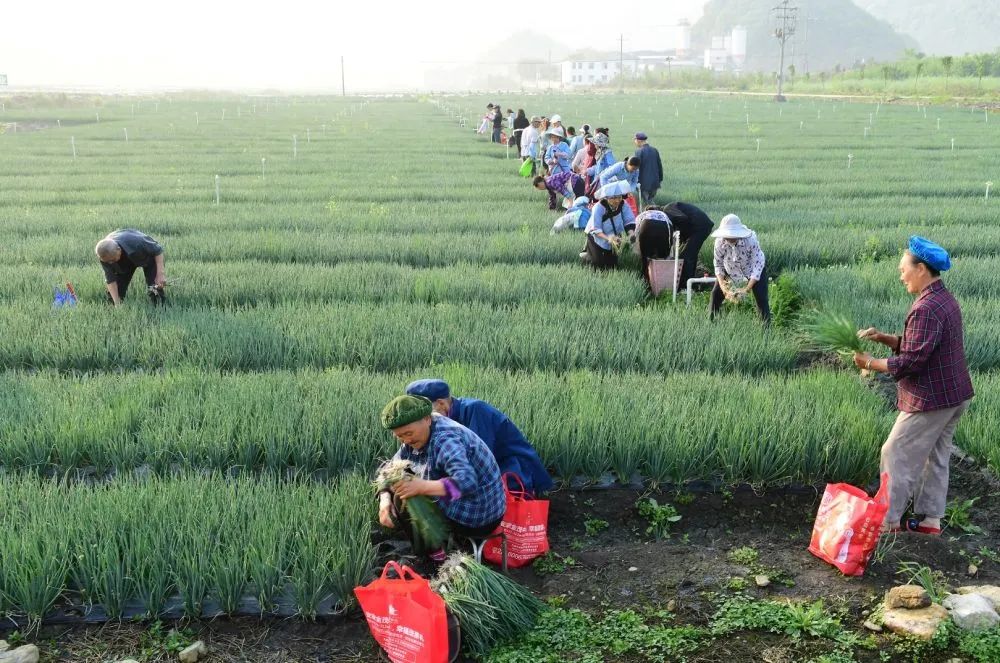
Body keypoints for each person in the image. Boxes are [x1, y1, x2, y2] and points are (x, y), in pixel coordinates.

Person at [852, 237, 974, 535]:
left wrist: (869, 363)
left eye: (903, 269)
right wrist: (884, 338)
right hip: (954, 395)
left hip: (931, 398)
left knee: (895, 451)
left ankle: (888, 521)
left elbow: (911, 362)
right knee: (936, 454)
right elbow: (922, 347)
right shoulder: (942, 298)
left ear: (921, 269)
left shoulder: (925, 308)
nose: (900, 274)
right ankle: (930, 521)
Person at [377, 395, 507, 560]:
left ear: (427, 419)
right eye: (400, 436)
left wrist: (421, 486)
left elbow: (467, 483)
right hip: (468, 503)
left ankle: (433, 558)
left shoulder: (445, 440)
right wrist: (384, 499)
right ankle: (435, 548)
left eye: (408, 433)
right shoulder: (417, 434)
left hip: (478, 513)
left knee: (404, 495)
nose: (406, 440)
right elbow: (389, 468)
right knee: (400, 485)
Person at [406, 379, 554, 495]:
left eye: (425, 412)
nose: (421, 419)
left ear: (441, 403)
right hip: (491, 470)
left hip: (513, 469)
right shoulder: (441, 420)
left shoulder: (476, 410)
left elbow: (480, 460)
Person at [709, 215, 770, 324]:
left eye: (733, 235)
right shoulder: (719, 242)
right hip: (729, 268)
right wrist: (724, 287)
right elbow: (718, 264)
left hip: (752, 268)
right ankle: (711, 322)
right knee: (715, 295)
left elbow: (758, 264)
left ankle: (766, 330)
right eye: (727, 235)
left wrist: (746, 289)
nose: (730, 238)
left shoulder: (750, 240)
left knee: (761, 299)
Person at [95, 229, 167, 305]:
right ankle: (115, 310)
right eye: (108, 261)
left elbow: (158, 250)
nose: (110, 263)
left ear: (118, 250)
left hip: (146, 256)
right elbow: (110, 280)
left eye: (112, 260)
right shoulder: (104, 255)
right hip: (124, 259)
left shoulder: (137, 242)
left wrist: (160, 274)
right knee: (114, 297)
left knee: (155, 286)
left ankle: (159, 307)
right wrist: (117, 303)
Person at [582, 181, 636, 270]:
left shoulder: (623, 205)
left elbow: (629, 221)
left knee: (612, 265)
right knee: (597, 264)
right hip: (598, 237)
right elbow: (596, 229)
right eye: (614, 198)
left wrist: (631, 234)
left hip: (615, 236)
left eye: (619, 197)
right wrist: (609, 238)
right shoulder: (599, 208)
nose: (617, 200)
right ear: (606, 198)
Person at [661, 201, 715, 288]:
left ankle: (686, 286)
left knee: (687, 256)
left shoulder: (667, 210)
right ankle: (689, 282)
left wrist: (680, 235)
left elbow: (683, 219)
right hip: (697, 227)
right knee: (689, 254)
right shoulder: (669, 208)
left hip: (699, 227)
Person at [633, 132, 663, 205]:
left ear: (638, 141)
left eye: (635, 140)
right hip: (655, 182)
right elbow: (659, 166)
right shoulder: (654, 150)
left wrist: (635, 181)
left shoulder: (639, 152)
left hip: (644, 184)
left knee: (648, 203)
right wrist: (660, 179)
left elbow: (637, 168)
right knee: (650, 200)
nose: (634, 142)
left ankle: (656, 213)